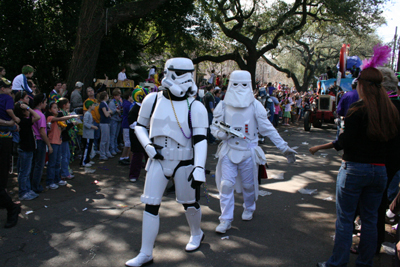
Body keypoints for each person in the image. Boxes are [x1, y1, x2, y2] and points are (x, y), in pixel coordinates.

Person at [125, 58, 208, 267]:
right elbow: (139, 126)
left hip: (185, 160)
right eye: (180, 73)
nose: (186, 79)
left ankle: (197, 233)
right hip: (157, 160)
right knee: (151, 204)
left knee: (189, 202)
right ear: (168, 73)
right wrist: (148, 147)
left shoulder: (196, 106)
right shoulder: (152, 100)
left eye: (189, 73)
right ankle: (145, 252)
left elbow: (200, 139)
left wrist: (199, 167)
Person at [317, 64, 400, 267]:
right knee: (371, 220)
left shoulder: (359, 109)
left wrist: (322, 146)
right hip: (380, 171)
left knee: (345, 220)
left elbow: (345, 141)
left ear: (362, 85)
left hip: (355, 169)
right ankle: (365, 262)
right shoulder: (390, 111)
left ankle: (338, 262)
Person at [210, 70, 296, 234]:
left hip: (248, 151)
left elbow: (268, 129)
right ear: (230, 85)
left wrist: (284, 148)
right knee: (226, 185)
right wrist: (222, 134)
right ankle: (225, 219)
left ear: (249, 85)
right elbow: (214, 127)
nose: (239, 88)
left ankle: (249, 207)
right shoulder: (222, 105)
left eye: (243, 84)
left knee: (249, 185)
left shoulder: (255, 106)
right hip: (229, 150)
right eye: (235, 84)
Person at [46, 102, 78, 189]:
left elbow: (63, 127)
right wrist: (71, 116)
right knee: (52, 163)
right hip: (53, 142)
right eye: (54, 108)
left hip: (59, 141)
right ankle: (50, 181)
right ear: (49, 110)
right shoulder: (50, 118)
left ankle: (57, 179)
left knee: (57, 162)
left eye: (57, 108)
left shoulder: (58, 121)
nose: (57, 109)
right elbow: (59, 119)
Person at [14, 102, 40, 200]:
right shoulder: (23, 121)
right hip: (25, 148)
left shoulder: (25, 120)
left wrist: (27, 108)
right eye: (26, 110)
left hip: (28, 148)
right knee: (24, 172)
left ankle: (27, 190)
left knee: (27, 171)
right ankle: (23, 192)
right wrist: (29, 107)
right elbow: (37, 117)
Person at [31, 93, 53, 193]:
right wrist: (49, 145)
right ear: (41, 103)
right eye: (45, 102)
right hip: (40, 141)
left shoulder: (32, 113)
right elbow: (42, 132)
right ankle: (36, 186)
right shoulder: (40, 115)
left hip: (34, 140)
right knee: (39, 165)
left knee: (34, 164)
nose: (46, 104)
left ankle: (32, 184)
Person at [127, 87, 149, 182]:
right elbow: (132, 124)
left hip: (146, 134)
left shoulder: (144, 108)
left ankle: (150, 174)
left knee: (149, 155)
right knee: (137, 155)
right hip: (136, 136)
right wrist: (143, 125)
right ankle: (133, 175)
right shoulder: (135, 109)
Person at [81, 100, 98, 167]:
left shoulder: (89, 113)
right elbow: (85, 124)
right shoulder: (87, 114)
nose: (94, 106)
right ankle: (84, 162)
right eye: (93, 105)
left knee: (89, 147)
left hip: (90, 134)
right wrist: (92, 126)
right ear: (90, 106)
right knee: (87, 148)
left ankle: (87, 160)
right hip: (87, 134)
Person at [98, 91, 113, 160]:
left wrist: (109, 112)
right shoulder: (102, 104)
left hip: (107, 122)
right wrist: (109, 112)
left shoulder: (105, 104)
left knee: (108, 138)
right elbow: (106, 114)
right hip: (104, 123)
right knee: (104, 139)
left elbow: (110, 111)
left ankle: (107, 152)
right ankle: (102, 154)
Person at [120, 90, 134, 165]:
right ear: (129, 97)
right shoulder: (127, 104)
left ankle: (126, 156)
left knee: (128, 143)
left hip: (127, 124)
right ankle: (122, 157)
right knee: (127, 143)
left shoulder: (127, 103)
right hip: (126, 125)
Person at [108, 88, 123, 155]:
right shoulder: (112, 102)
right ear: (114, 96)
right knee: (113, 135)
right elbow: (110, 111)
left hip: (119, 119)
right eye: (118, 95)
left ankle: (116, 147)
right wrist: (115, 110)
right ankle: (112, 148)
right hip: (114, 120)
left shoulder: (119, 102)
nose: (119, 96)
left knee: (116, 135)